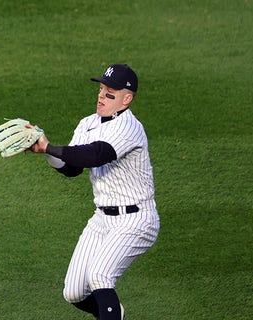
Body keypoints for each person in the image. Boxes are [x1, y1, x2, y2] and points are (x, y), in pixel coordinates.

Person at [29, 64, 160, 319]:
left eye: (110, 93)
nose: (101, 96)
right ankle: (112, 314)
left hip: (136, 220)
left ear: (127, 99)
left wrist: (50, 147)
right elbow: (71, 167)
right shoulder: (88, 123)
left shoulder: (129, 128)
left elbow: (97, 154)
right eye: (101, 89)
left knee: (100, 275)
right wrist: (43, 150)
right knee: (75, 292)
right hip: (102, 220)